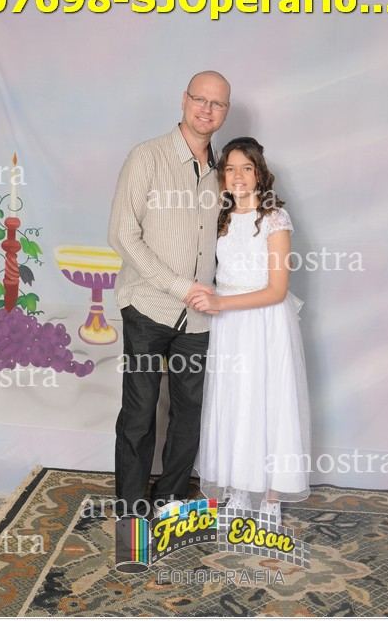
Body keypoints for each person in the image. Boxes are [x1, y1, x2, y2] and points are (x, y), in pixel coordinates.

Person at [108, 71, 231, 516]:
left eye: (217, 104)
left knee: (189, 414)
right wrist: (179, 286)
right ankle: (131, 509)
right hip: (148, 306)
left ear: (225, 112)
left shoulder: (225, 172)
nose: (207, 109)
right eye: (200, 99)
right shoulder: (147, 157)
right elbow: (122, 234)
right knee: (140, 413)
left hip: (198, 317)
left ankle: (170, 500)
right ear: (184, 100)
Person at [190, 137, 311, 523]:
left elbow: (277, 289)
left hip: (263, 322)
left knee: (269, 400)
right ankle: (238, 489)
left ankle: (271, 497)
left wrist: (221, 304)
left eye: (247, 168)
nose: (238, 176)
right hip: (229, 327)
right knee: (234, 401)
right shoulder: (221, 217)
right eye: (230, 169)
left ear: (260, 173)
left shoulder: (275, 219)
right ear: (222, 176)